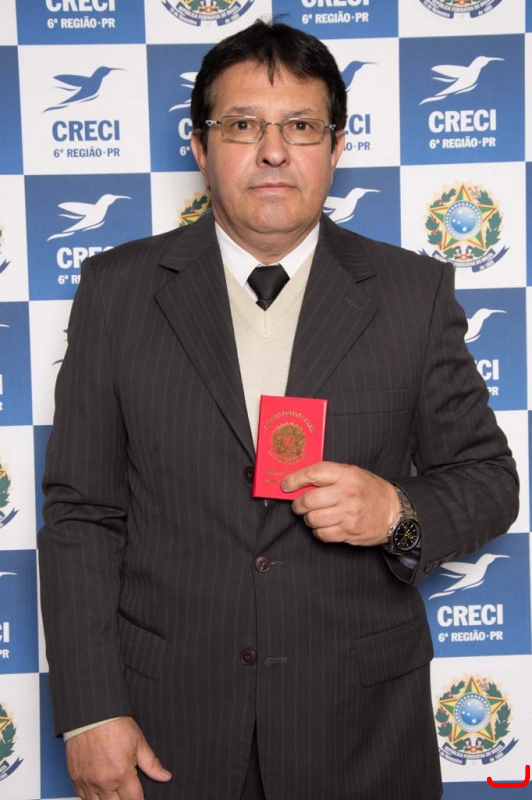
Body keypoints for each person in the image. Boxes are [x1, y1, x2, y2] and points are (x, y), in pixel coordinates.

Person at [39, 19, 518, 800]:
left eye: (300, 126)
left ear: (336, 145)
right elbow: (81, 514)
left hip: (360, 734)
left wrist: (396, 511)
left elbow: (489, 480)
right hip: (169, 730)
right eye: (241, 125)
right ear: (200, 147)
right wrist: (90, 711)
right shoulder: (116, 291)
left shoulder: (413, 294)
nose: (272, 151)